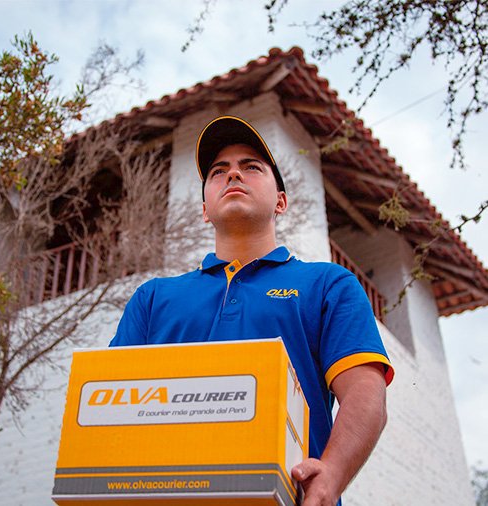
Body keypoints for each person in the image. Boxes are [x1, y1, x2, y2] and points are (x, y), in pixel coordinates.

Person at [110, 115, 394, 506]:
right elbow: (115, 403)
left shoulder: (328, 285)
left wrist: (331, 474)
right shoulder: (153, 298)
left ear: (281, 201)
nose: (233, 175)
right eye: (218, 171)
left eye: (252, 167)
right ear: (205, 209)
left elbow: (365, 392)